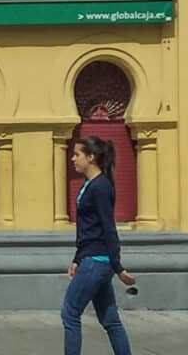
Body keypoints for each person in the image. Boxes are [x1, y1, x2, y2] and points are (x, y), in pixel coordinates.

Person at [63, 136, 139, 355]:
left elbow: (108, 228)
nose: (72, 158)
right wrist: (77, 259)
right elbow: (88, 229)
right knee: (110, 319)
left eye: (77, 154)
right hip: (91, 259)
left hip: (97, 261)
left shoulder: (101, 186)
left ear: (91, 157)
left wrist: (118, 266)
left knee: (69, 313)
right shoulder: (89, 185)